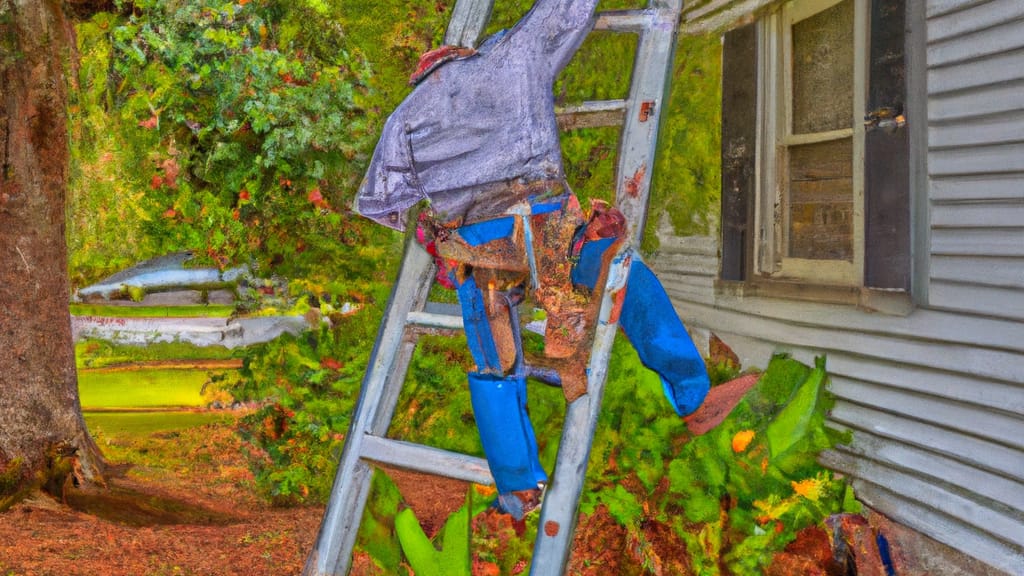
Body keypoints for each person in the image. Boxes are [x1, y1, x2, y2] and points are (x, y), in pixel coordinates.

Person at [354, 0, 711, 519]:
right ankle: (691, 392)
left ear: (424, 73)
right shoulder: (508, 57)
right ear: (460, 56)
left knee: (493, 358)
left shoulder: (403, 116)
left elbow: (383, 201)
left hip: (479, 249)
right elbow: (569, 9)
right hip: (543, 222)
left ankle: (518, 487)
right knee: (621, 275)